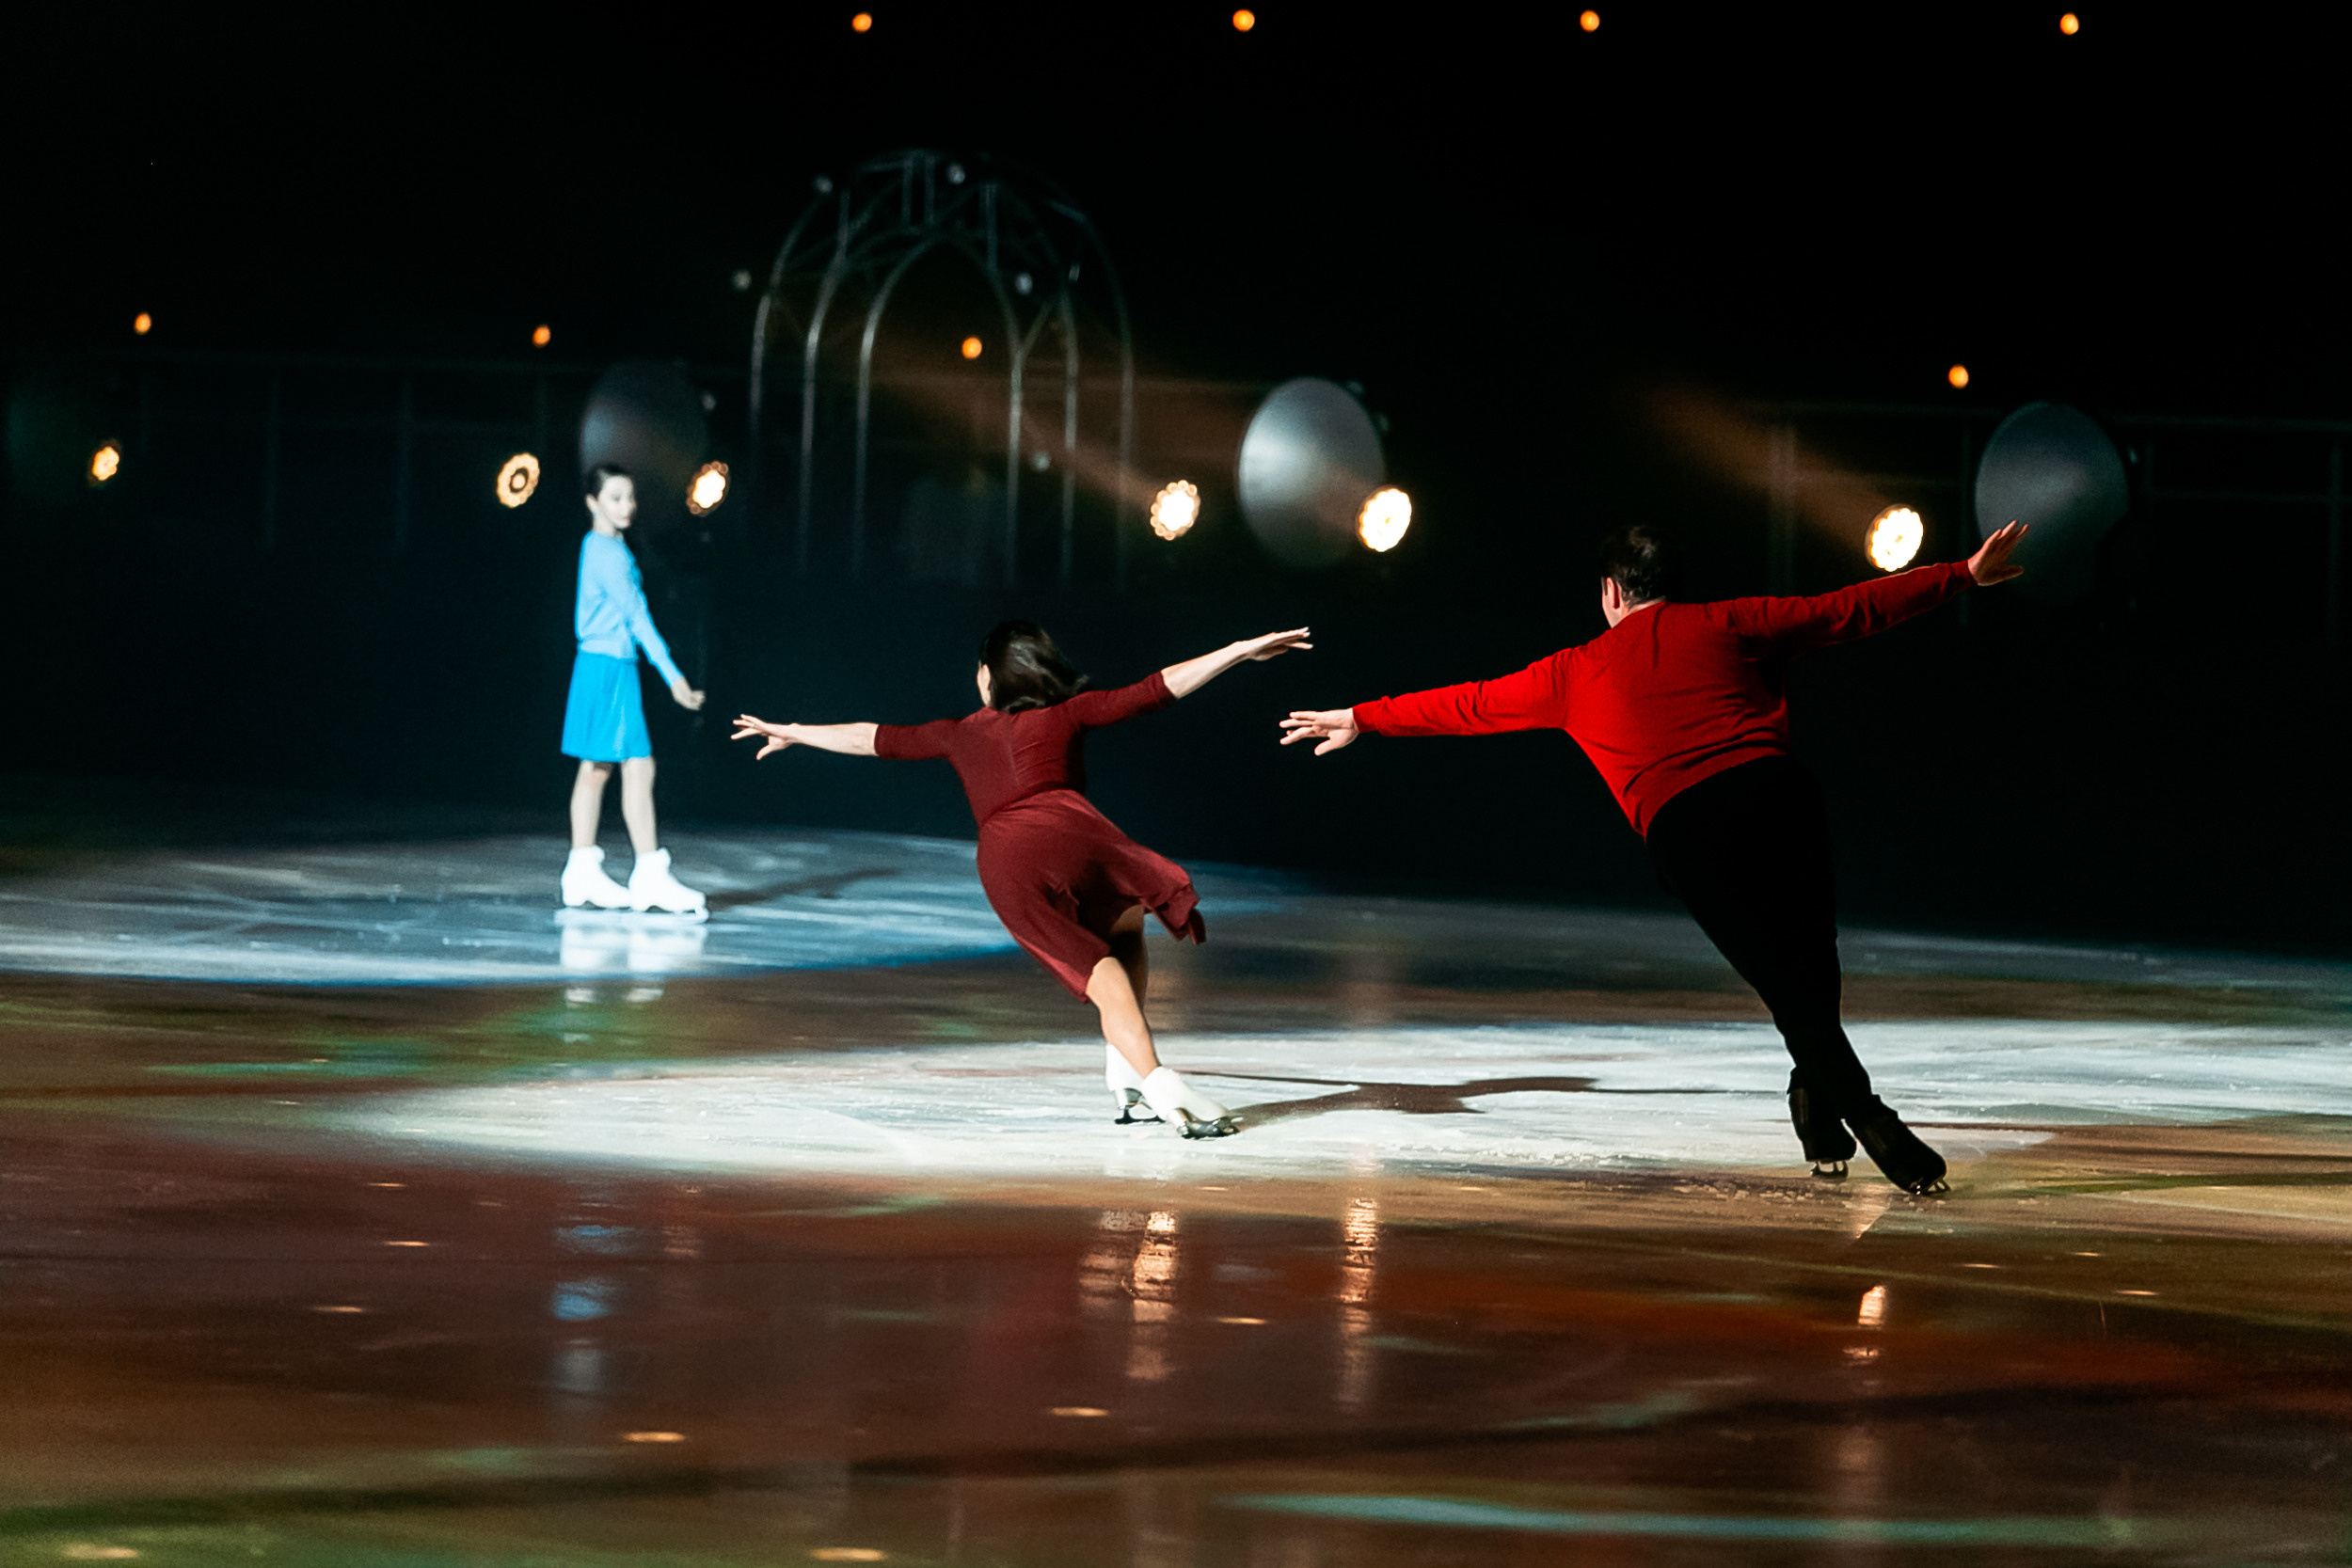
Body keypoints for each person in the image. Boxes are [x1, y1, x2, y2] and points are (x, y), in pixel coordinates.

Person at [1279, 522, 2029, 1194]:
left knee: (1790, 984)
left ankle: (1861, 1116)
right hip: (1778, 798)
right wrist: (1963, 572)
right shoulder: (1733, 620)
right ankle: (1834, 1105)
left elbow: (1471, 702)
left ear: (1609, 591)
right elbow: (1850, 608)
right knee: (1808, 968)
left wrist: (1361, 717)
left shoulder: (1576, 669)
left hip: (1691, 828)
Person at [731, 622, 1311, 1136]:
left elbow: (873, 737)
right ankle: (1141, 1071)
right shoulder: (1068, 710)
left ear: (987, 677)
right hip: (1074, 832)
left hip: (1007, 855)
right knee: (1124, 922)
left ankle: (1144, 1074)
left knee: (1099, 966)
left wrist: (797, 730)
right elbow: (1156, 689)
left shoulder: (956, 732)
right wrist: (1236, 650)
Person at [559, 463, 708, 914]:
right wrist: (674, 676)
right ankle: (647, 874)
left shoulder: (601, 546)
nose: (627, 506)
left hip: (601, 665)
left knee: (600, 769)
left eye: (630, 497)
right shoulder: (607, 552)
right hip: (607, 667)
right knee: (634, 767)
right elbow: (637, 616)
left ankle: (583, 872)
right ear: (593, 503)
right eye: (616, 498)